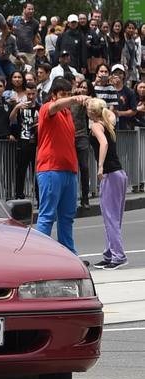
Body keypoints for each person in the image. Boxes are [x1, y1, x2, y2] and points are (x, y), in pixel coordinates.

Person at [35, 77, 89, 255]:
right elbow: (54, 107)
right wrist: (73, 99)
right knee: (47, 216)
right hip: (51, 168)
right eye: (62, 94)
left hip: (68, 170)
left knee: (67, 217)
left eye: (68, 94)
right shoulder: (47, 109)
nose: (66, 97)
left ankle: (69, 255)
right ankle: (40, 255)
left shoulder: (67, 114)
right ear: (53, 95)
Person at [87, 98, 128, 269]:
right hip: (119, 174)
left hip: (110, 174)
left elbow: (103, 143)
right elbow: (110, 113)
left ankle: (118, 255)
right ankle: (110, 253)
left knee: (110, 218)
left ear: (92, 112)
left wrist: (100, 166)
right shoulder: (107, 121)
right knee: (114, 218)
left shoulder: (96, 125)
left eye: (88, 107)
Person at [10, 82, 39, 201]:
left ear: (36, 93)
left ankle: (39, 197)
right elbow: (11, 119)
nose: (31, 96)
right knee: (20, 171)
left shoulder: (40, 108)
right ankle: (19, 195)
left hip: (36, 144)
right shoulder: (20, 107)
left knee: (37, 173)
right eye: (28, 94)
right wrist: (16, 107)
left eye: (33, 94)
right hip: (23, 143)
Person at [71, 79, 93, 209]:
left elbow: (93, 105)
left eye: (86, 87)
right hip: (69, 137)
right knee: (70, 169)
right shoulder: (71, 99)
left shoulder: (87, 101)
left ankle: (85, 198)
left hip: (82, 136)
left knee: (84, 167)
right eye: (81, 87)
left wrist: (86, 98)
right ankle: (71, 197)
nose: (83, 89)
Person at [110, 64, 137, 130]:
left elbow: (134, 110)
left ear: (124, 75)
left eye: (120, 73)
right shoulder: (108, 89)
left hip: (124, 125)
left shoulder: (130, 92)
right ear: (111, 75)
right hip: (109, 124)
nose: (118, 75)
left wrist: (119, 113)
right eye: (115, 73)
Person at [13, 2, 40, 67]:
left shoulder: (35, 23)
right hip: (16, 52)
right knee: (16, 74)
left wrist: (35, 50)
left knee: (29, 73)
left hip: (29, 53)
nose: (31, 11)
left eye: (32, 9)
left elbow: (35, 37)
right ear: (24, 9)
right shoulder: (15, 20)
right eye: (29, 9)